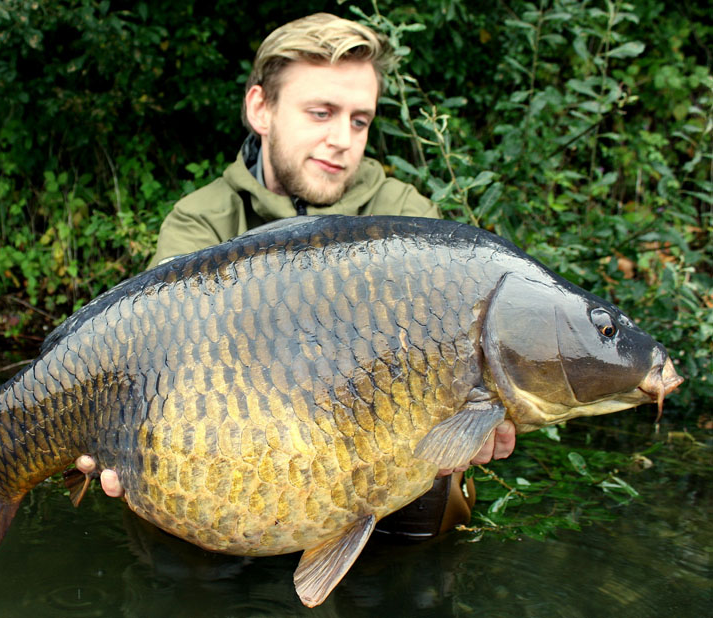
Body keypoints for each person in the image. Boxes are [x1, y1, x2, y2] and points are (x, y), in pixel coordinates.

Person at [74, 13, 516, 538]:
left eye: (359, 120)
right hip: (236, 463)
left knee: (430, 510)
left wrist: (482, 415)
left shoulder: (405, 219)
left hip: (376, 468)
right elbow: (148, 365)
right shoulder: (203, 220)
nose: (342, 140)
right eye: (321, 113)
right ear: (261, 108)